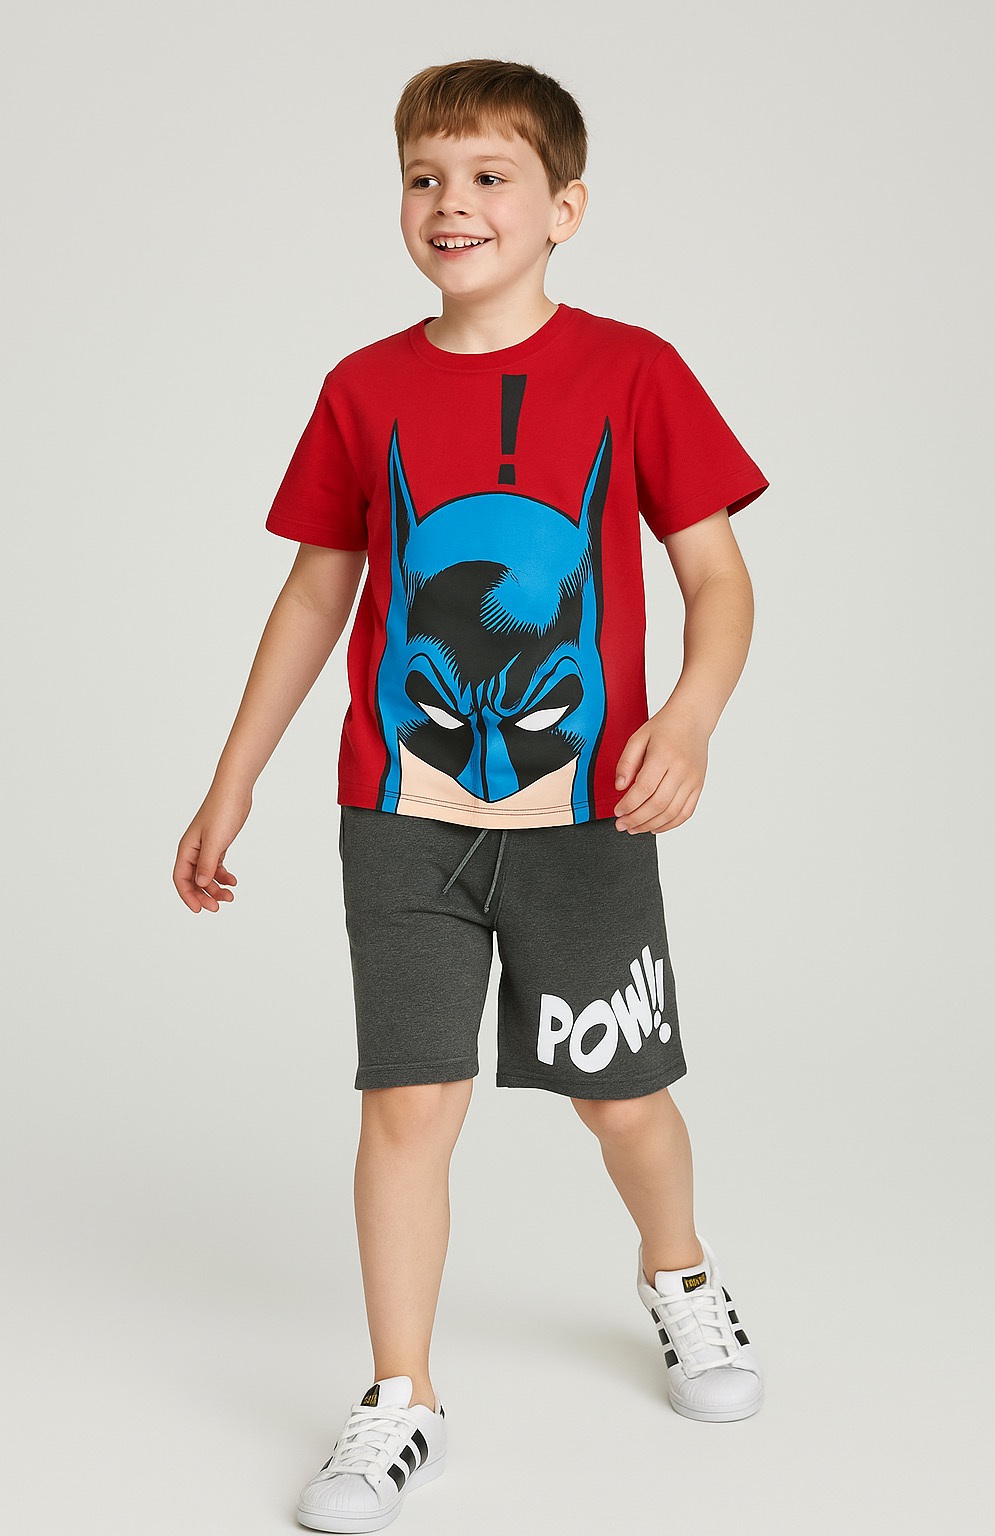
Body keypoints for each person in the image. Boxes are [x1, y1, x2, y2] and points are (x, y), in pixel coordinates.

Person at [173, 56, 771, 1535]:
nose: (455, 202)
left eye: (492, 176)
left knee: (622, 1099)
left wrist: (691, 720)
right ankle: (401, 1398)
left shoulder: (634, 371)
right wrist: (230, 782)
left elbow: (717, 578)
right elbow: (315, 595)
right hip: (399, 815)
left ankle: (682, 1272)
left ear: (566, 206)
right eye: (426, 177)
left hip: (590, 819)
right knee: (407, 1103)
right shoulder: (362, 389)